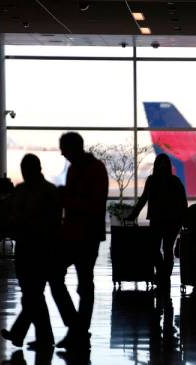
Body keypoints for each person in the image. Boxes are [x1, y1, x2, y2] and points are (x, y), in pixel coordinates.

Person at [54, 132, 109, 348]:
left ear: (73, 149)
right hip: (82, 234)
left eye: (64, 149)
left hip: (83, 235)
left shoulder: (90, 169)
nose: (62, 154)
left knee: (77, 281)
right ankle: (78, 327)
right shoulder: (86, 168)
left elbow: (92, 204)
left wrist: (65, 197)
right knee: (82, 283)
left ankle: (77, 327)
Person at [1, 154, 62, 348]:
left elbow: (15, 215)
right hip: (37, 247)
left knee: (32, 294)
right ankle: (41, 337)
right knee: (33, 294)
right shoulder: (49, 191)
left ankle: (25, 334)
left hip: (35, 248)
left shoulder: (27, 191)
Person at [126, 153, 187, 285]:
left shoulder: (153, 180)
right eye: (161, 162)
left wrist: (133, 215)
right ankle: (164, 275)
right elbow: (183, 202)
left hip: (162, 220)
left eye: (164, 162)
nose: (163, 165)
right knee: (164, 249)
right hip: (169, 220)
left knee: (159, 248)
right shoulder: (174, 181)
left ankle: (162, 274)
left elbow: (143, 199)